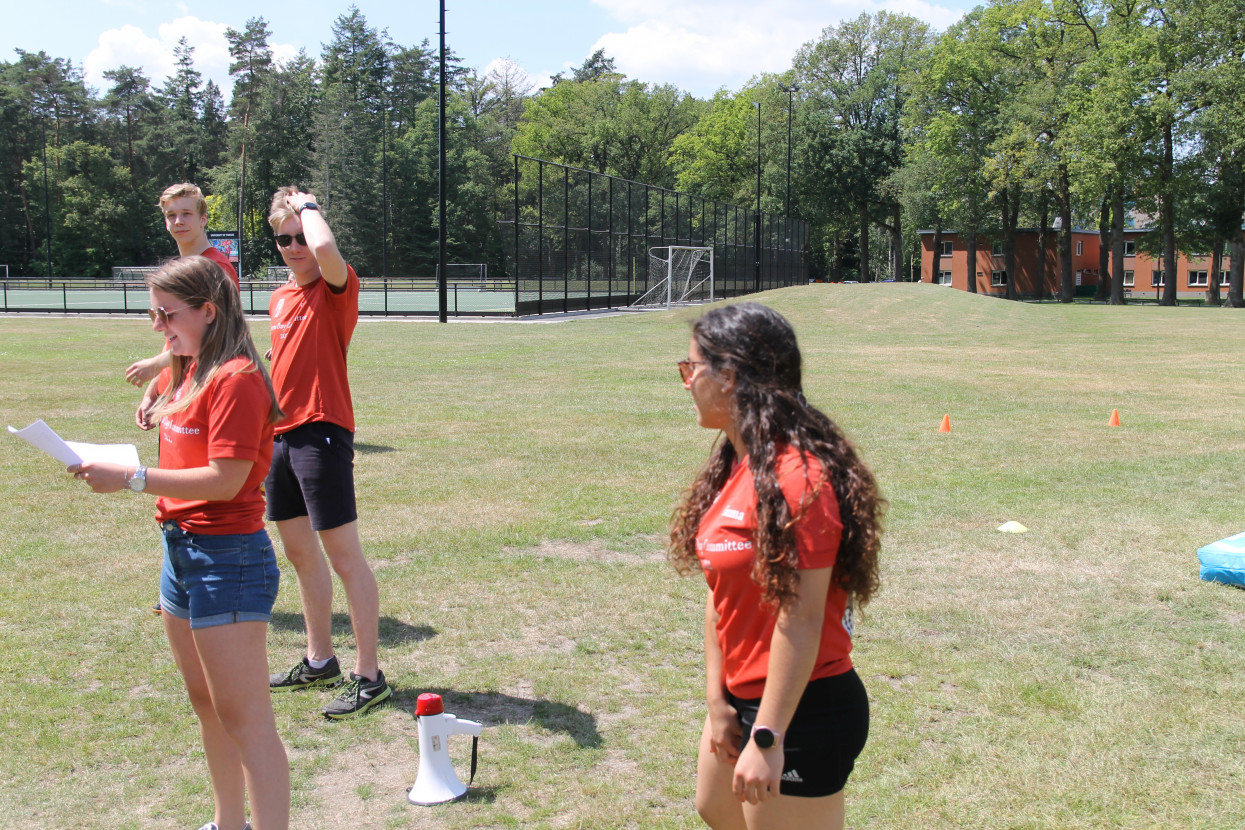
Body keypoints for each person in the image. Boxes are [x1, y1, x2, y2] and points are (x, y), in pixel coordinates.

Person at [70, 256, 289, 830]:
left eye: (166, 313)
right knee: (208, 705)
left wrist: (132, 479)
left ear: (208, 312)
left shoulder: (237, 378)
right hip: (181, 552)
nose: (156, 325)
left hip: (228, 558)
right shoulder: (188, 367)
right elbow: (171, 390)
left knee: (246, 719)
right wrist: (154, 399)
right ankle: (227, 822)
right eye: (152, 312)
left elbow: (227, 480)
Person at [668, 303, 884, 830]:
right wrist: (717, 702)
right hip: (742, 699)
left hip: (803, 710)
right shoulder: (736, 464)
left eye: (691, 368)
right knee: (715, 808)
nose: (686, 382)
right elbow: (719, 596)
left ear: (732, 376)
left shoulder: (799, 479)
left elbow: (802, 619)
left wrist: (768, 737)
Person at [264, 186, 391, 719]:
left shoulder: (336, 285)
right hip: (280, 436)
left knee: (344, 557)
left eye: (301, 236)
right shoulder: (279, 297)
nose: (296, 246)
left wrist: (309, 206)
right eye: (284, 238)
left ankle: (369, 675)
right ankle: (320, 660)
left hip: (322, 431)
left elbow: (326, 252)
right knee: (299, 553)